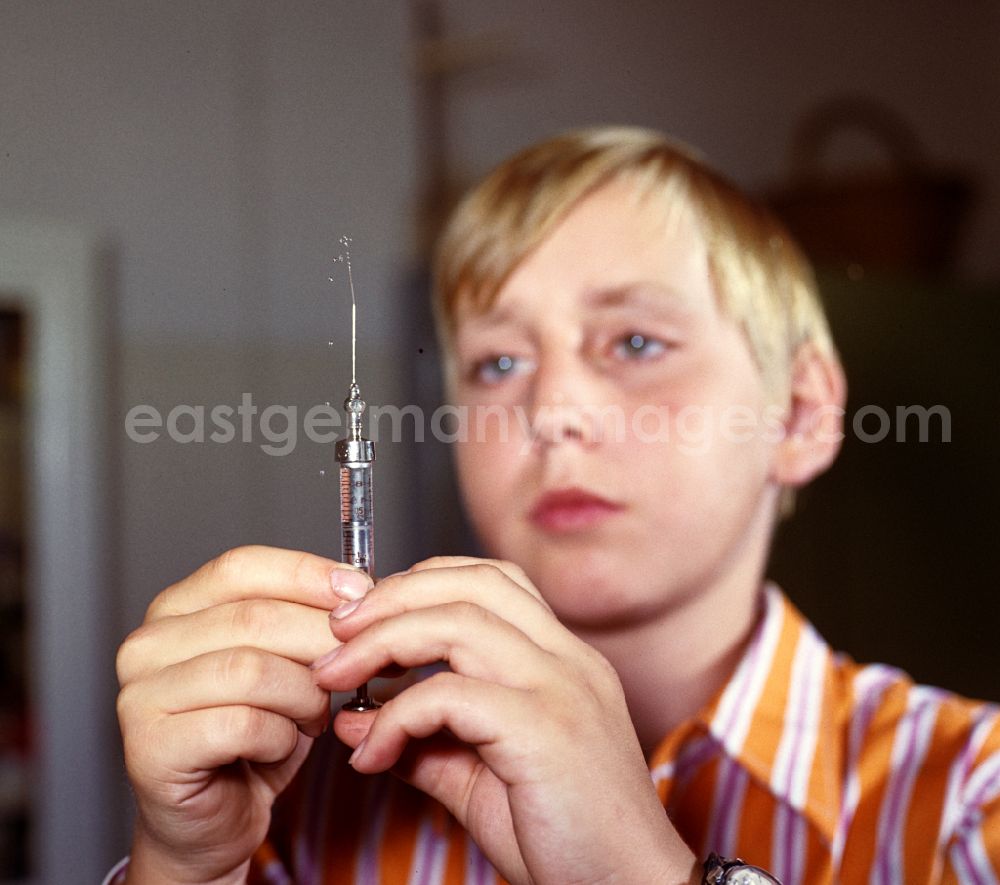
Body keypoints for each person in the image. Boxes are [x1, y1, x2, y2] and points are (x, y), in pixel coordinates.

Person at [109, 127, 1000, 885]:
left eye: (637, 340)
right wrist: (182, 871)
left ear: (801, 411)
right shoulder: (318, 800)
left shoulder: (973, 796)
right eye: (499, 364)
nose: (554, 411)